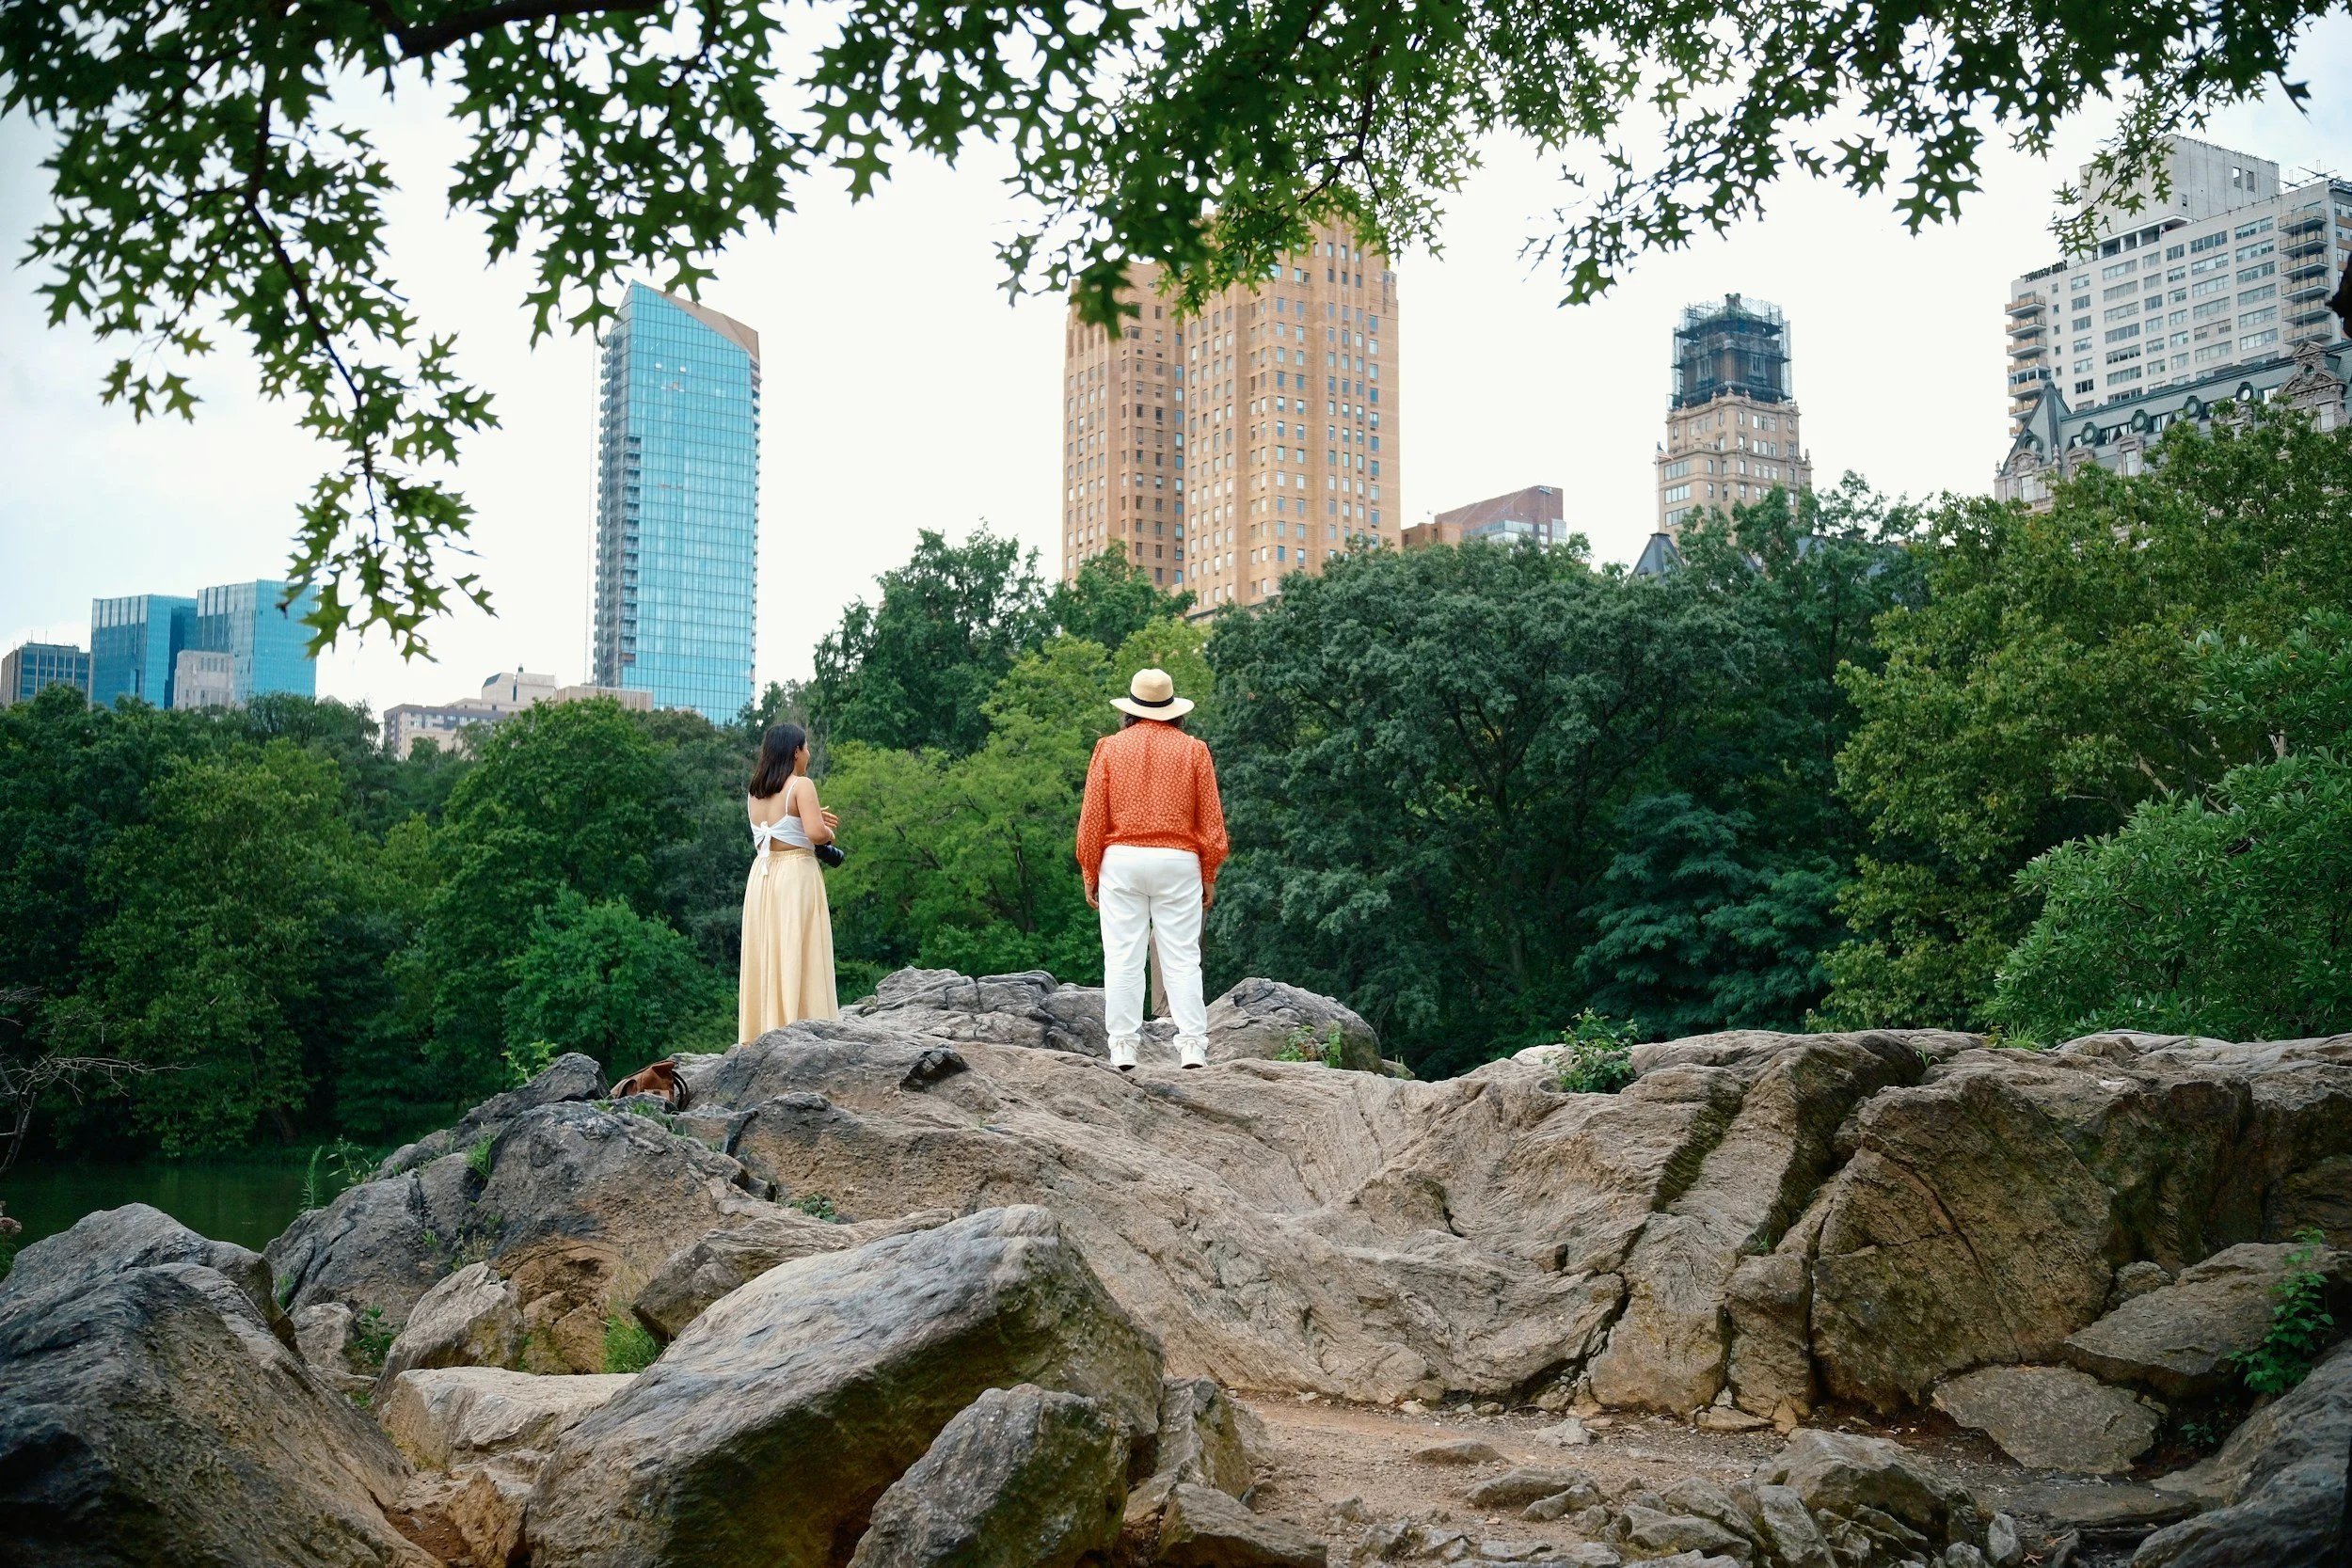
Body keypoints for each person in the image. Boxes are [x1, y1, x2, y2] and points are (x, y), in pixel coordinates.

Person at [1075, 668, 1228, 1070]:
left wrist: (1090, 871)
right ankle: (1193, 1045)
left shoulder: (1108, 748)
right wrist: (1209, 873)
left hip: (1122, 861)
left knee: (1123, 957)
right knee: (1181, 958)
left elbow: (1092, 819)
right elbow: (1211, 822)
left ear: (1130, 710)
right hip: (1178, 862)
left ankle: (1123, 1048)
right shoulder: (1195, 750)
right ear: (1174, 710)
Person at [739, 722, 839, 1038]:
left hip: (763, 877)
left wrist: (810, 817)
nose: (808, 753)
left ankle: (765, 1029)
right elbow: (815, 835)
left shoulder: (755, 793)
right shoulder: (801, 785)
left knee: (769, 949)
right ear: (795, 751)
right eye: (806, 747)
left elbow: (780, 828)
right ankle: (802, 1024)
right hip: (795, 875)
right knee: (800, 946)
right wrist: (828, 831)